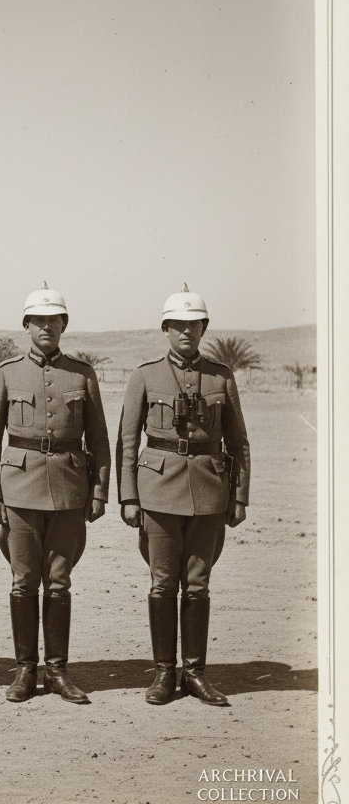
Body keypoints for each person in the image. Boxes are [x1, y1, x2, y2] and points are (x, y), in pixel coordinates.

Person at [117, 284, 250, 706]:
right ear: (166, 329)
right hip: (157, 490)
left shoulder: (220, 377)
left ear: (203, 327)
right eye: (178, 325)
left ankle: (194, 674)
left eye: (194, 324)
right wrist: (129, 497)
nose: (186, 331)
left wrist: (239, 496)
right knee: (162, 583)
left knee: (197, 583)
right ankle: (163, 674)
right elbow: (126, 440)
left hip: (210, 490)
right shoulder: (145, 375)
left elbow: (238, 442)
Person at [0, 283, 110, 704]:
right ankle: (24, 670)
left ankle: (57, 670)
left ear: (64, 325)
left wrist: (98, 491)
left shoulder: (81, 373)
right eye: (39, 320)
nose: (46, 327)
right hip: (18, 488)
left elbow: (100, 439)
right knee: (23, 581)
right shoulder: (6, 372)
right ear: (26, 326)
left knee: (59, 581)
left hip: (71, 488)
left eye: (54, 320)